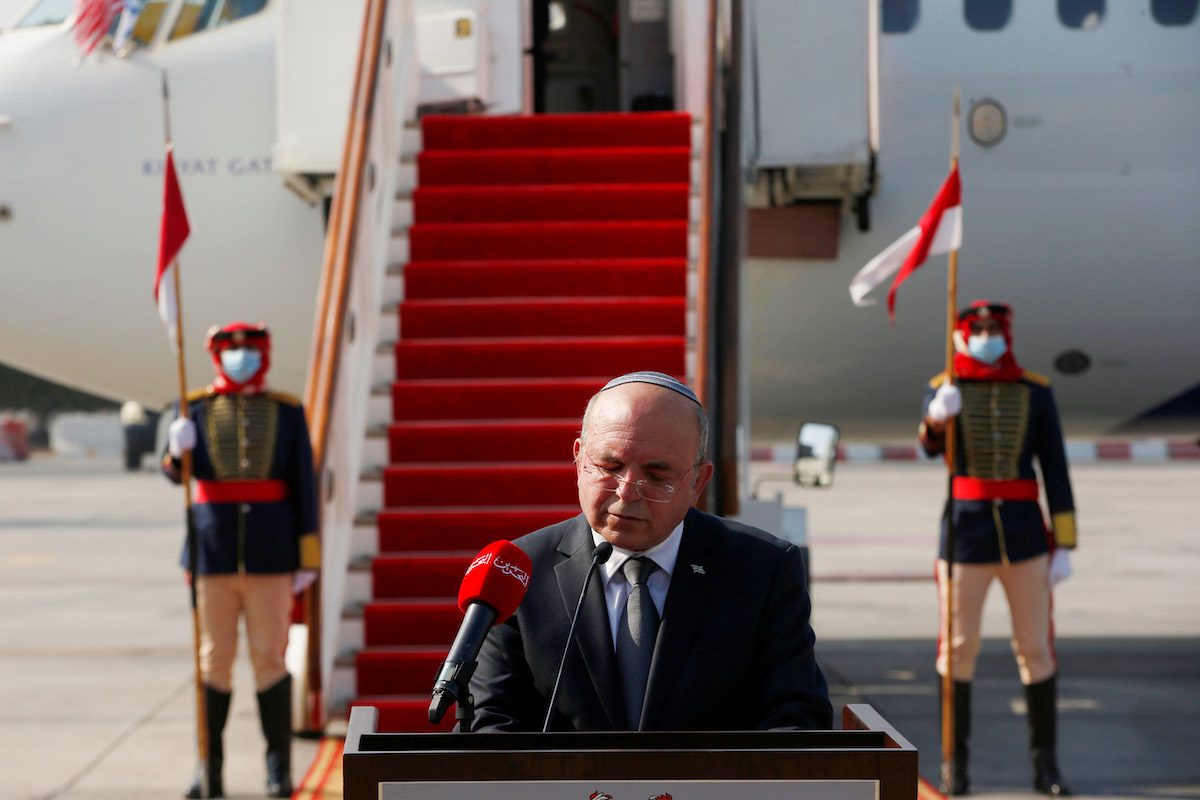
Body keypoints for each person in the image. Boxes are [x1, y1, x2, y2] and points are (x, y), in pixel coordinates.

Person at [469, 371, 832, 732]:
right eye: (609, 467)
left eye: (657, 476)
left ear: (697, 482)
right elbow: (492, 722)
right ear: (579, 460)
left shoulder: (762, 570)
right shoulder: (519, 572)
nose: (627, 492)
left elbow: (795, 718)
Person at [919, 302, 1076, 797]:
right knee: (958, 651)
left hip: (1027, 538)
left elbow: (1054, 464)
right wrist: (935, 419)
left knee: (1035, 649)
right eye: (978, 328)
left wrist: (1065, 541)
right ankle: (954, 765)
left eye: (994, 328)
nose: (987, 335)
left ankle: (1045, 766)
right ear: (963, 334)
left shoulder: (1034, 390)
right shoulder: (946, 387)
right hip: (965, 539)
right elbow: (929, 447)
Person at [162, 322, 319, 799]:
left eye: (251, 350)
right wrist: (175, 450)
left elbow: (303, 486)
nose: (241, 358)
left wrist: (306, 553)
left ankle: (277, 769)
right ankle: (207, 768)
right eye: (232, 351)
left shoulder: (287, 411)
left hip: (271, 555)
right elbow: (176, 476)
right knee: (214, 663)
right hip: (212, 553)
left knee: (270, 660)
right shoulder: (194, 407)